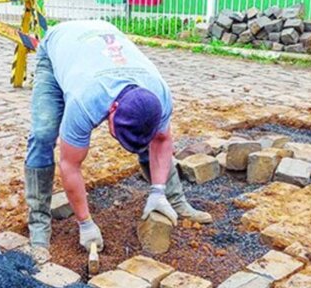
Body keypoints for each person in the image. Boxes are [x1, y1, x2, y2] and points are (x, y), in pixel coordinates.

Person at [24, 20, 212, 262]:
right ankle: (39, 226)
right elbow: (70, 165)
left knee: (144, 130)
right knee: (43, 134)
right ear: (110, 109)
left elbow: (162, 140)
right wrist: (86, 223)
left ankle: (174, 200)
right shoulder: (86, 102)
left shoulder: (159, 93)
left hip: (101, 42)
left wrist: (158, 192)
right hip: (57, 50)